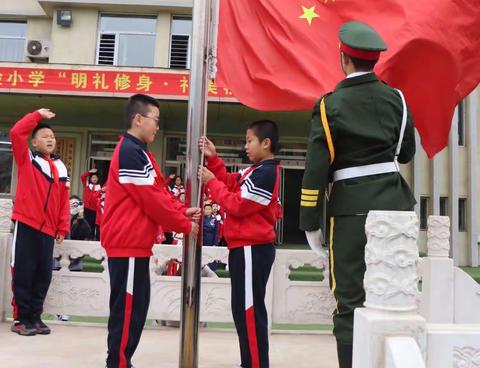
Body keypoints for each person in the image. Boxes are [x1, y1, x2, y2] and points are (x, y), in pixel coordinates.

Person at [299, 21, 416, 368]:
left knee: (349, 302)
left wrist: (309, 222)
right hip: (396, 206)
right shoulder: (397, 98)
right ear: (374, 61)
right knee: (397, 297)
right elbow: (406, 152)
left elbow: (315, 170)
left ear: (343, 58)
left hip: (349, 211)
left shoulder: (328, 105)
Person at [101, 94, 200, 368]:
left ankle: (122, 361)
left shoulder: (139, 151)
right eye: (155, 120)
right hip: (127, 243)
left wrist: (182, 213)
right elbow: (151, 200)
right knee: (128, 310)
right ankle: (118, 363)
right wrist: (183, 224)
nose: (157, 126)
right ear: (138, 119)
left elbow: (159, 193)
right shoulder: (130, 151)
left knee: (135, 308)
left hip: (135, 245)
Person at [199, 120, 281, 368]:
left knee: (249, 312)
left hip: (251, 248)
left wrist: (211, 182)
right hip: (244, 248)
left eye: (249, 141)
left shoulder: (267, 172)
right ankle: (250, 362)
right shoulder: (254, 171)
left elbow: (237, 204)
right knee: (243, 311)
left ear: (265, 143)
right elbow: (229, 181)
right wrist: (213, 159)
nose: (246, 146)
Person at [9, 108, 70, 336]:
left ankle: (35, 317)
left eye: (52, 137)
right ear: (34, 142)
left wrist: (62, 227)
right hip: (27, 225)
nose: (50, 139)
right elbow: (16, 133)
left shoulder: (61, 168)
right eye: (44, 137)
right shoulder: (27, 160)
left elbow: (64, 201)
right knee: (24, 272)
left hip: (49, 231)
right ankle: (21, 319)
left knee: (43, 274)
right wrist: (37, 116)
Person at [80, 168, 101, 240]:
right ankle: (85, 238)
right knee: (85, 224)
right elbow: (82, 177)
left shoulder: (100, 188)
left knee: (93, 225)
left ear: (98, 179)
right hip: (86, 209)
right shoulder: (87, 185)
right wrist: (89, 172)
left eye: (96, 177)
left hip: (95, 210)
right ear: (91, 178)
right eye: (93, 177)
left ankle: (92, 238)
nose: (94, 179)